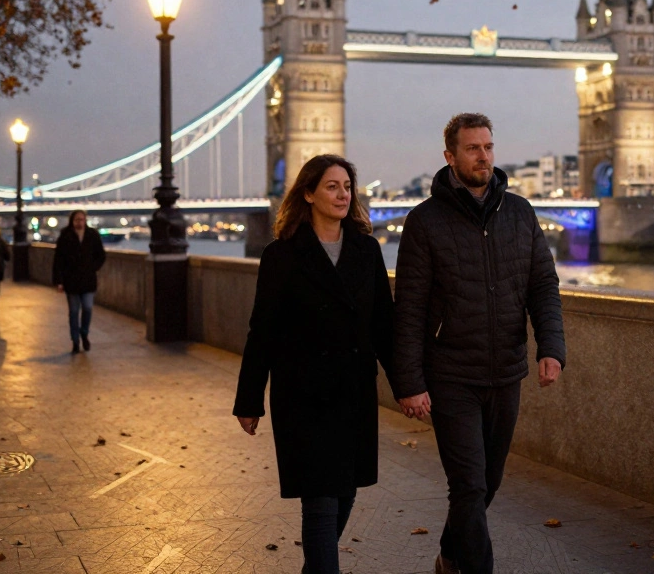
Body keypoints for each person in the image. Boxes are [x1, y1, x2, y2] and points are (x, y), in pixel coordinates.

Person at [392, 113, 566, 574]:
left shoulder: (521, 213)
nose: (483, 155)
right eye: (472, 148)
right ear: (450, 157)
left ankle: (450, 555)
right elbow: (408, 308)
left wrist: (551, 347)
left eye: (488, 146)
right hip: (451, 375)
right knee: (468, 485)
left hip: (507, 371)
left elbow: (543, 287)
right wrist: (409, 383)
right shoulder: (424, 222)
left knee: (488, 482)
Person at [233, 154, 396, 574]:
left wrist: (408, 385)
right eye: (331, 186)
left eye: (347, 187)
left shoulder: (367, 250)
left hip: (354, 392)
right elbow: (262, 331)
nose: (343, 194)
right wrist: (249, 399)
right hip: (303, 396)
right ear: (308, 193)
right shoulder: (281, 255)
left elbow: (385, 327)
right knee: (321, 501)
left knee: (345, 495)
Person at [51, 210, 106, 354]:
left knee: (87, 308)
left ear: (85, 220)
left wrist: (93, 267)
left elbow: (101, 255)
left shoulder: (92, 235)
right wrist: (59, 281)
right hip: (71, 281)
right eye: (77, 220)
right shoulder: (65, 236)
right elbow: (58, 260)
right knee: (74, 312)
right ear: (72, 221)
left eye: (82, 219)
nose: (79, 222)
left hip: (88, 280)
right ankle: (75, 341)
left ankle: (84, 333)